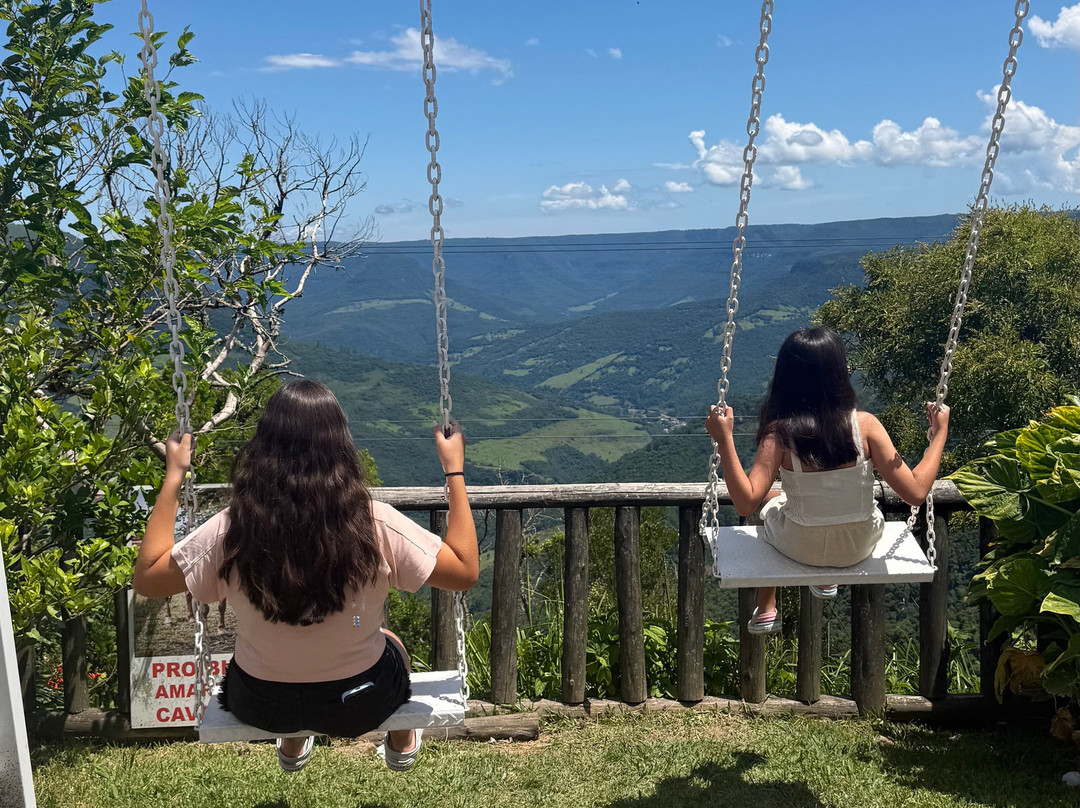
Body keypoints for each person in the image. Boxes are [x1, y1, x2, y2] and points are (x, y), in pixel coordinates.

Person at [133, 380, 478, 771]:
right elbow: (464, 571)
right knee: (392, 644)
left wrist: (174, 474)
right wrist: (454, 470)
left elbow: (147, 578)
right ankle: (401, 739)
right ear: (340, 445)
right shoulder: (373, 522)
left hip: (262, 705)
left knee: (281, 657)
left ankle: (293, 740)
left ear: (263, 447)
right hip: (359, 703)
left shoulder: (234, 528)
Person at [705, 326, 949, 634]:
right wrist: (939, 434)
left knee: (769, 500)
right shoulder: (867, 426)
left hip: (799, 545)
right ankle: (825, 576)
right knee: (795, 503)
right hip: (856, 546)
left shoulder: (780, 433)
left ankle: (768, 605)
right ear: (839, 373)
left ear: (785, 377)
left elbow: (745, 501)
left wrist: (724, 440)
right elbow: (915, 492)